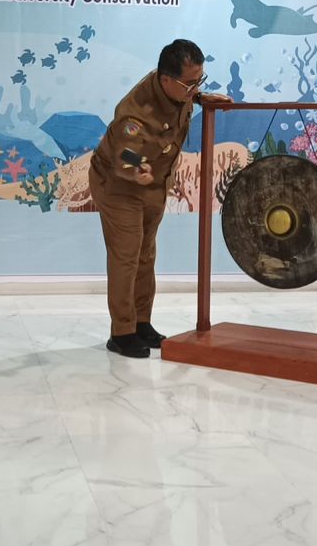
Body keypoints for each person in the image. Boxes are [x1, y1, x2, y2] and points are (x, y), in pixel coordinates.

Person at [88, 39, 228, 358]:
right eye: (190, 83)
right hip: (120, 184)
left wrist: (201, 97)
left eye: (199, 80)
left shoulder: (178, 89)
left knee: (146, 254)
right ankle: (122, 333)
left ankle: (141, 323)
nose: (195, 88)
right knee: (126, 256)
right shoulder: (134, 113)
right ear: (166, 80)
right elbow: (124, 153)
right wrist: (137, 168)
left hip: (154, 183)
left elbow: (186, 96)